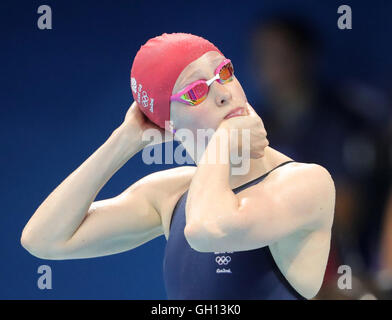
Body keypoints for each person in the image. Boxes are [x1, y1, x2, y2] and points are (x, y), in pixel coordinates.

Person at [20, 33, 335, 300]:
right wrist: (124, 141)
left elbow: (208, 230)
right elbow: (44, 240)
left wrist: (224, 138)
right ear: (169, 125)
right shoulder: (171, 195)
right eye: (196, 92)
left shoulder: (305, 183)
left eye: (224, 72)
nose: (224, 94)